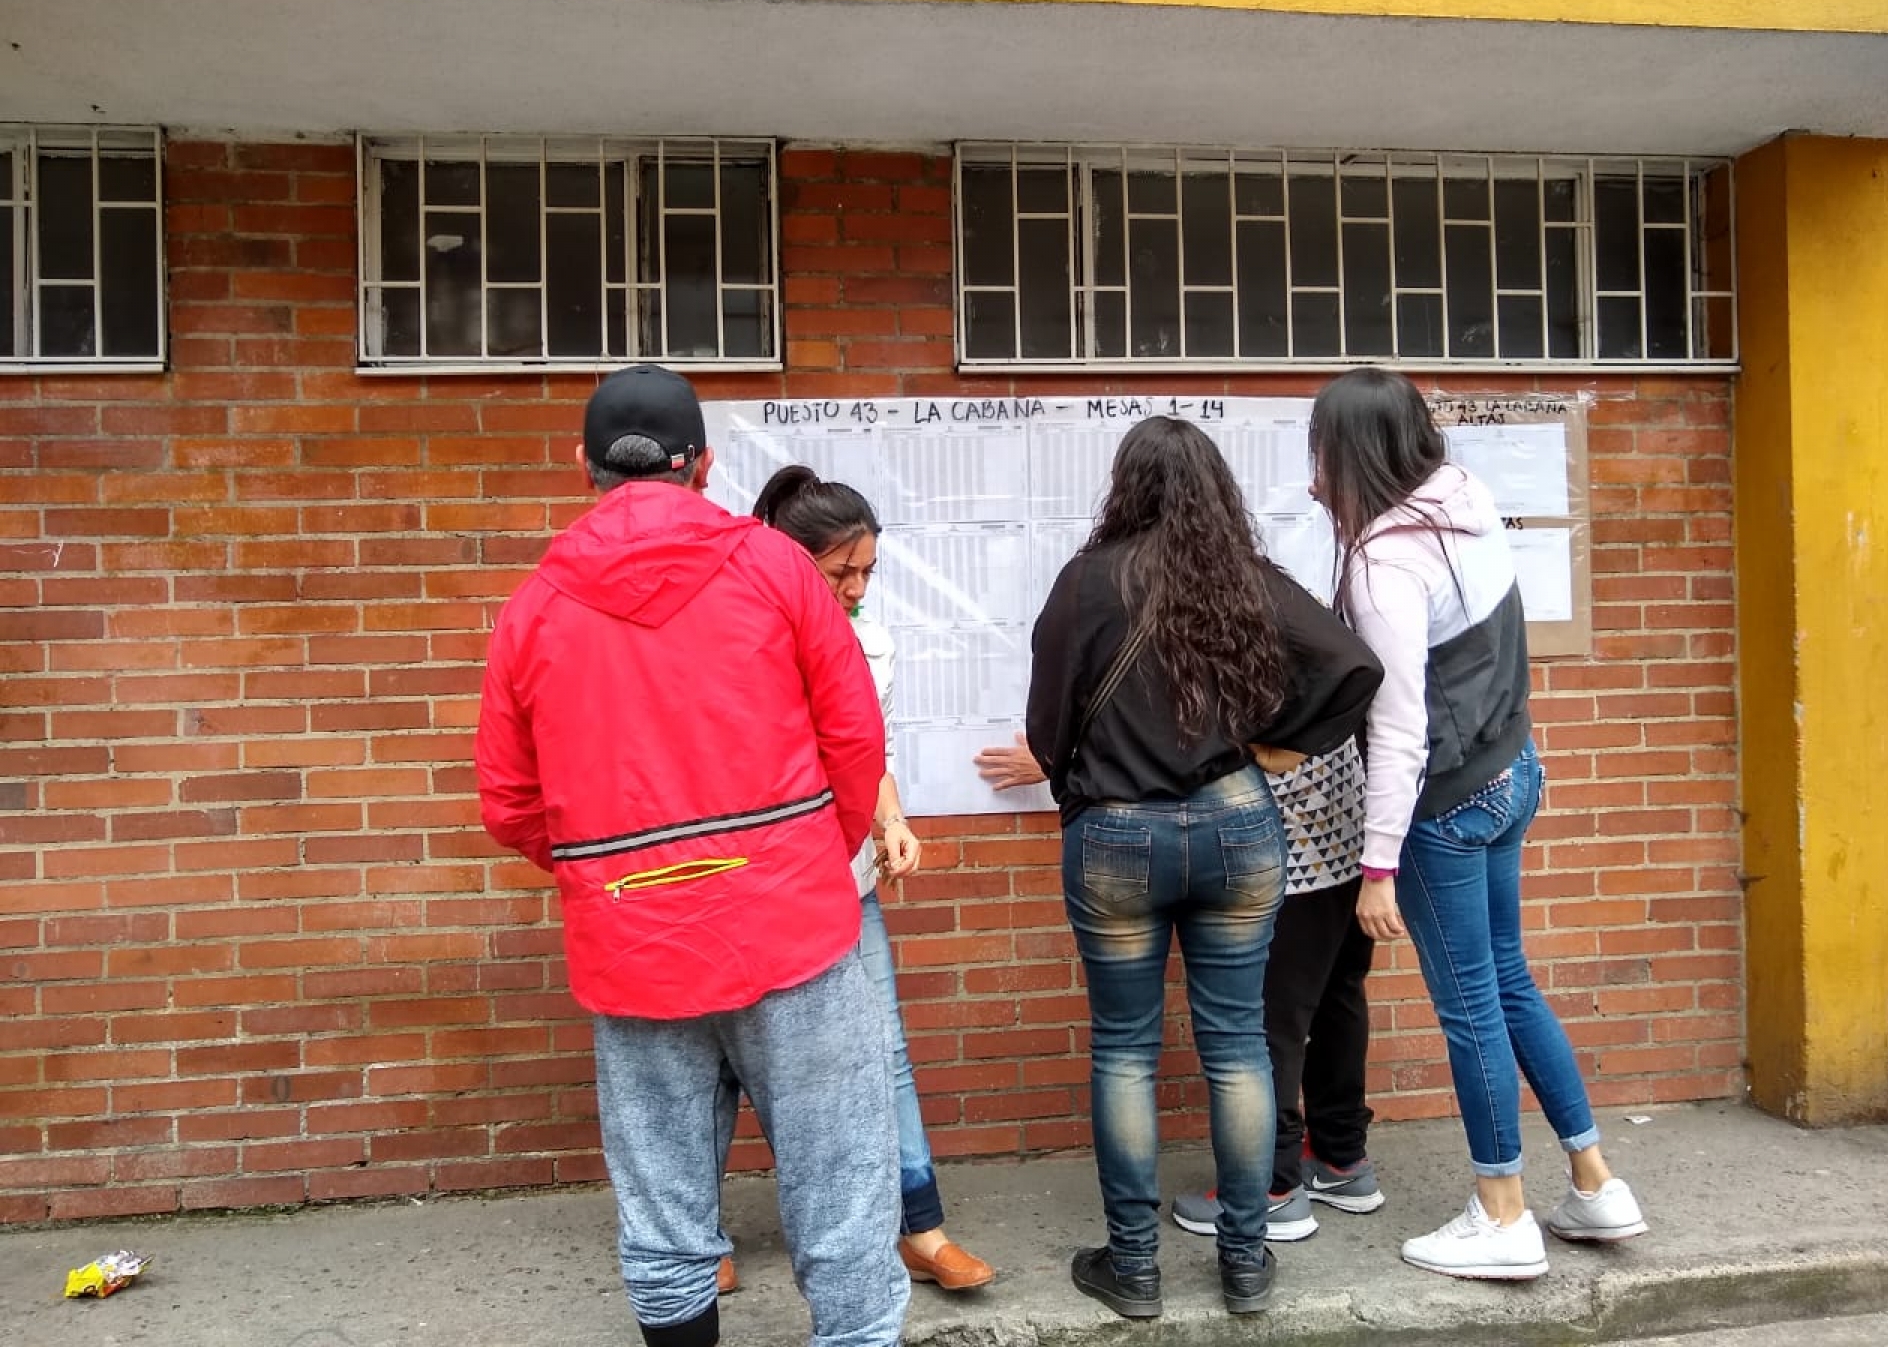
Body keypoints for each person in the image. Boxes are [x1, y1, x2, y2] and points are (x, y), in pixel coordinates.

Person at [474, 365, 909, 1347]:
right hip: (794, 931)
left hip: (633, 945)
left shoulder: (532, 609)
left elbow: (509, 804)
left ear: (581, 464)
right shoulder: (779, 570)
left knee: (663, 1205)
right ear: (703, 464)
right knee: (843, 1189)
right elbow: (855, 740)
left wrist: (608, 878)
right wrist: (807, 859)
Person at [1024, 416, 1382, 1320]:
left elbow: (1046, 721)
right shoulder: (1245, 579)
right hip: (1236, 826)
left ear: (1127, 485)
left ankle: (1134, 1267)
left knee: (1124, 1051)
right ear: (1215, 490)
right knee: (1238, 1045)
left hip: (1117, 834)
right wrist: (1276, 745)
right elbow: (1352, 665)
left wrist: (1080, 787)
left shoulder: (1087, 581)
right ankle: (1246, 1262)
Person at [1308, 366, 1648, 1281]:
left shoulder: (1385, 563)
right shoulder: (1464, 499)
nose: (1313, 481)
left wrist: (1379, 866)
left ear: (1356, 456)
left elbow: (1399, 725)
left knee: (1471, 1012)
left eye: (1322, 456)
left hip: (1448, 804)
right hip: (1512, 770)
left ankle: (1502, 1215)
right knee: (1509, 982)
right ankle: (1594, 1182)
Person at [717, 463, 993, 1293]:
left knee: (885, 1048)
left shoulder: (871, 639)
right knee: (715, 1058)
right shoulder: (731, 632)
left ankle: (919, 1226)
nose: (858, 589)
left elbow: (872, 750)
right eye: (843, 572)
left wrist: (892, 820)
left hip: (844, 879)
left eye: (869, 571)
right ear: (789, 559)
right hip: (745, 881)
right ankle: (696, 1239)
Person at [978, 733, 1388, 1244]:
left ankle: (1271, 1187)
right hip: (1344, 821)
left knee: (1266, 1023)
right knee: (1334, 996)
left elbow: (1192, 720)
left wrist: (1058, 759)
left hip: (1280, 833)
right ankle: (1341, 1157)